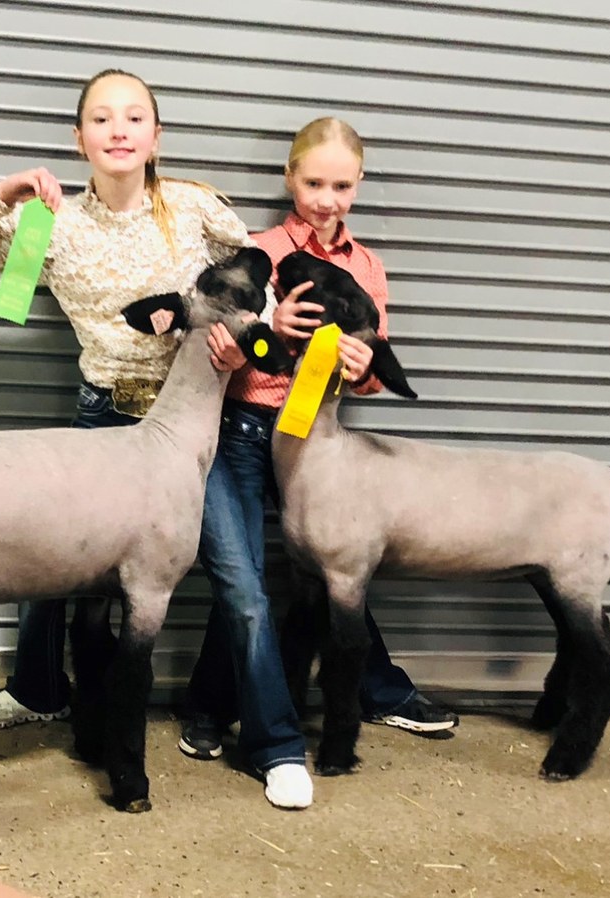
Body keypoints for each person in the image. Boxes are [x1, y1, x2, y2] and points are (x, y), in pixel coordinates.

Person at [0, 68, 313, 810]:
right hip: (104, 417)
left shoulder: (194, 209)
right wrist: (4, 195)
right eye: (101, 119)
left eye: (135, 117)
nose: (119, 129)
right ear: (80, 139)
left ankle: (276, 743)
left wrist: (243, 339)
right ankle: (39, 691)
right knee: (44, 563)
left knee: (241, 582)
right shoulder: (50, 223)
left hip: (193, 427)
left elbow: (260, 282)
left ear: (156, 135)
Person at [178, 117, 458, 768]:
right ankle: (209, 706)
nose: (326, 198)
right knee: (241, 573)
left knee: (341, 569)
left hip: (318, 442)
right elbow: (220, 338)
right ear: (289, 177)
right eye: (313, 182)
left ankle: (378, 689)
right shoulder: (259, 247)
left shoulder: (366, 266)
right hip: (247, 429)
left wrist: (361, 371)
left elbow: (373, 366)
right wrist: (262, 326)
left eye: (341, 185)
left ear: (358, 184)